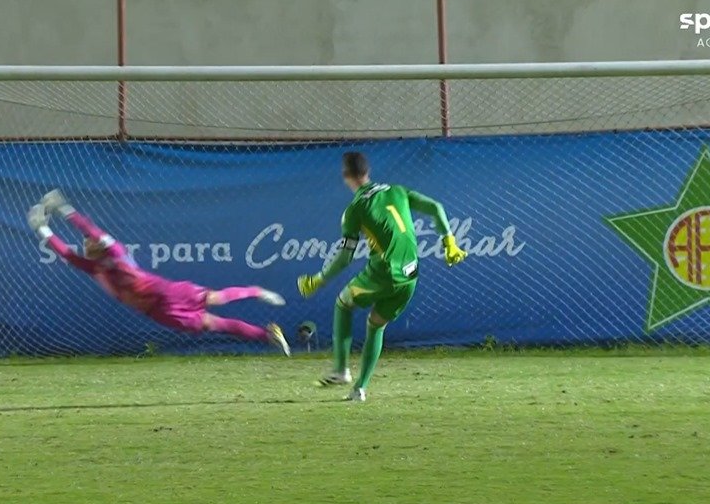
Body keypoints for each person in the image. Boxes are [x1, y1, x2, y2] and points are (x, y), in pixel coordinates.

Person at [27, 190, 290, 355]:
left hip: (166, 296)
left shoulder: (116, 252)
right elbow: (68, 254)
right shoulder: (95, 267)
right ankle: (266, 335)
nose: (87, 244)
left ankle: (257, 292)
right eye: (87, 244)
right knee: (215, 322)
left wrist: (62, 210)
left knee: (217, 302)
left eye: (89, 242)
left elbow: (90, 231)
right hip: (161, 308)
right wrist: (42, 228)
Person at [297, 152, 466, 401]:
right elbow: (436, 208)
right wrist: (449, 241)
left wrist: (319, 279)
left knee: (343, 303)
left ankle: (342, 370)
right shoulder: (397, 191)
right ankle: (359, 389)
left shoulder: (355, 209)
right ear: (368, 171)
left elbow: (345, 257)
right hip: (411, 274)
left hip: (385, 272)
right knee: (376, 325)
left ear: (346, 176)